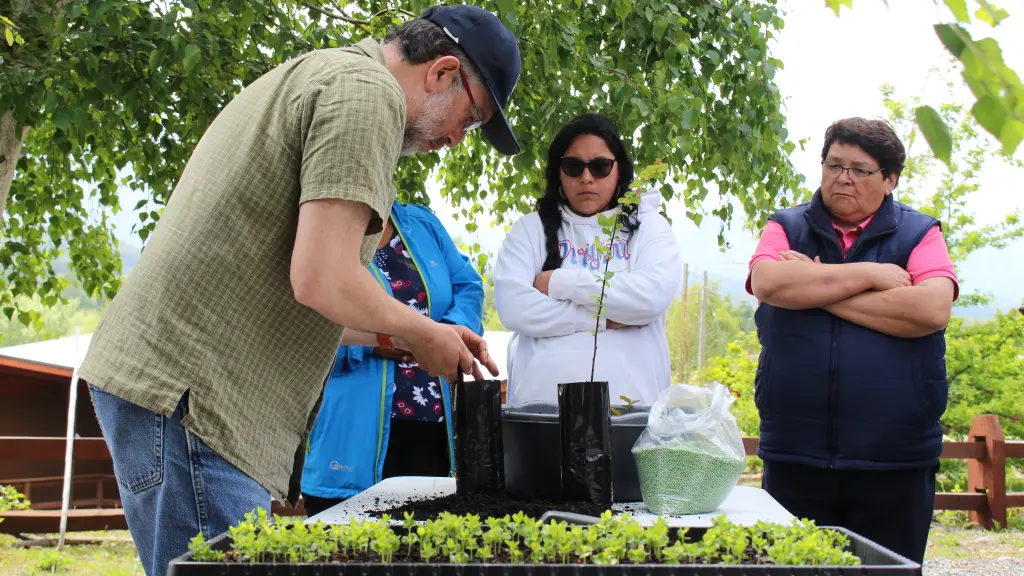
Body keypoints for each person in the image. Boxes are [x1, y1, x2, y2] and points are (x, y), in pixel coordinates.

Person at [78, 6, 517, 575]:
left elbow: (309, 288)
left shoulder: (325, 73)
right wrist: (419, 327)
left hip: (178, 389)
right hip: (196, 398)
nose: (457, 139)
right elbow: (324, 278)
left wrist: (414, 338)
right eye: (473, 117)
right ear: (442, 72)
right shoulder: (366, 96)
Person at [747, 117, 958, 564]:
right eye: (833, 164)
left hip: (895, 460)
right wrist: (871, 275)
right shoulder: (785, 226)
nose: (842, 177)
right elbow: (769, 283)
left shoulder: (920, 233)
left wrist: (814, 288)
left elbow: (931, 310)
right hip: (794, 455)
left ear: (890, 179)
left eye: (859, 169)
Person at [300, 201, 485, 517]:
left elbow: (468, 285)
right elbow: (302, 323)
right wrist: (377, 342)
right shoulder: (321, 224)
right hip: (349, 440)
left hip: (435, 436)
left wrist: (445, 332)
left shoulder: (421, 222)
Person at [493, 113, 681, 407]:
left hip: (632, 414)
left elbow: (649, 297)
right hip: (541, 412)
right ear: (558, 172)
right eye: (573, 166)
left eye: (600, 166)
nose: (586, 177)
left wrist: (558, 282)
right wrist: (602, 317)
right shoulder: (530, 230)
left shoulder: (649, 226)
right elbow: (514, 307)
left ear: (620, 170)